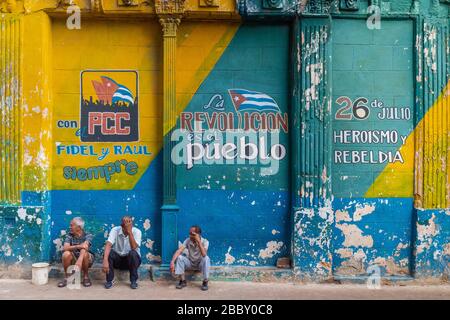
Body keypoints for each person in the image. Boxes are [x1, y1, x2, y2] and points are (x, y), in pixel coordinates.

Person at [102, 216, 142, 289]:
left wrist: (130, 233)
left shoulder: (137, 232)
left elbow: (134, 247)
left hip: (132, 261)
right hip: (118, 260)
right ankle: (109, 280)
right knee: (109, 253)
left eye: (130, 225)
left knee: (133, 253)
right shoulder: (115, 230)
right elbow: (108, 244)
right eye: (126, 226)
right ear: (121, 226)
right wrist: (105, 261)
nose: (128, 227)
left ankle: (133, 281)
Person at [170, 225, 210, 291]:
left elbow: (204, 254)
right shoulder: (188, 240)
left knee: (206, 258)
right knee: (180, 257)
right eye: (189, 233)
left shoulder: (205, 241)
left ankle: (205, 281)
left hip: (200, 264)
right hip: (190, 263)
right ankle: (183, 281)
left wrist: (199, 242)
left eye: (192, 234)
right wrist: (172, 262)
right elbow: (179, 251)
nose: (190, 235)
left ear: (198, 234)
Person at [58, 217, 95, 288]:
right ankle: (67, 277)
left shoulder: (88, 235)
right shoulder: (69, 235)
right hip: (74, 257)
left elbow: (85, 247)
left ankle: (86, 277)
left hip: (85, 259)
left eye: (72, 225)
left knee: (85, 253)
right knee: (66, 254)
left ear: (79, 227)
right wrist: (78, 246)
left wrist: (79, 261)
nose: (70, 227)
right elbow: (65, 248)